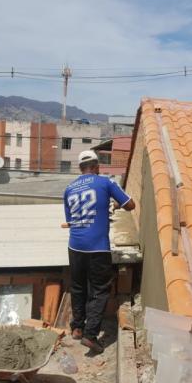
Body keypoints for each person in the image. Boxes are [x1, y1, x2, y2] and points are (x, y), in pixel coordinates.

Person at [63, 150, 135, 353]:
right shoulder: (106, 183)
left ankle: (77, 327)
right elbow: (130, 205)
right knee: (99, 290)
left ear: (80, 169)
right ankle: (91, 335)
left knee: (78, 286)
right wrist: (113, 203)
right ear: (97, 167)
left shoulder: (69, 189)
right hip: (97, 247)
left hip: (75, 246)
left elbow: (71, 220)